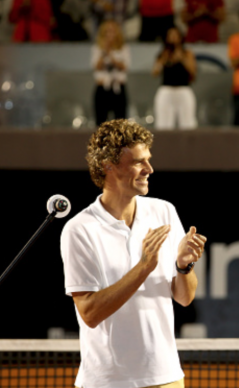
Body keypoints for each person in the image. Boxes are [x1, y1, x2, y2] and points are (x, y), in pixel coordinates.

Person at [60, 119, 206, 388]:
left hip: (166, 377)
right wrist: (143, 268)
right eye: (139, 162)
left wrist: (184, 266)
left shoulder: (164, 212)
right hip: (107, 382)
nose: (149, 169)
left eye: (148, 160)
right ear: (108, 166)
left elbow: (185, 298)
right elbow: (89, 313)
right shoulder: (79, 230)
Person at [152, 27, 198, 130]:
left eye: (175, 35)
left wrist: (181, 58)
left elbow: (193, 72)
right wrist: (164, 59)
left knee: (188, 123)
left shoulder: (187, 53)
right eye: (170, 35)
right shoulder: (163, 53)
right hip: (166, 90)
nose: (173, 38)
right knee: (163, 123)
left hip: (183, 89)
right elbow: (155, 72)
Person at [92, 20, 130, 126]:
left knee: (121, 123)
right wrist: (105, 51)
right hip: (102, 87)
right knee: (101, 123)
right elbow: (96, 66)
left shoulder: (123, 48)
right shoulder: (97, 48)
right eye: (107, 32)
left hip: (118, 88)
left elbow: (124, 66)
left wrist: (112, 56)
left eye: (112, 31)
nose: (110, 35)